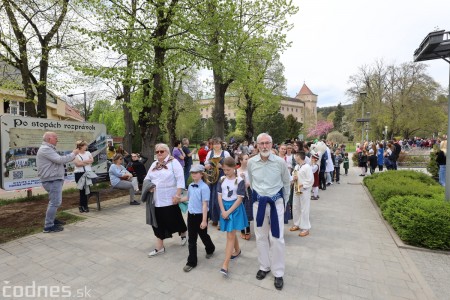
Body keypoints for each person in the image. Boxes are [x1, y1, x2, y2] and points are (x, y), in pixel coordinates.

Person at [247, 133, 290, 291]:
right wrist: (258, 197)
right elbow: (251, 182)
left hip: (276, 203)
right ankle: (264, 266)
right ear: (257, 145)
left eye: (267, 143)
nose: (264, 146)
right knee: (260, 236)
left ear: (272, 144)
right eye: (261, 143)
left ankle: (278, 272)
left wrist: (284, 203)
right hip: (259, 203)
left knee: (277, 238)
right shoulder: (251, 163)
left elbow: (286, 183)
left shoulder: (280, 162)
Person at [144, 143, 188, 257]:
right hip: (156, 199)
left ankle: (183, 232)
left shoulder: (174, 163)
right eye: (157, 151)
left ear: (167, 152)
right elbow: (147, 178)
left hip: (170, 198)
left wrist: (178, 195)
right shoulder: (154, 164)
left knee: (175, 219)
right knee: (157, 223)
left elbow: (180, 179)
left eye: (162, 151)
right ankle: (159, 247)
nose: (159, 153)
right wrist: (149, 187)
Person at [37, 132, 79, 233]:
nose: (57, 139)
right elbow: (60, 160)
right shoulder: (45, 149)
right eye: (55, 137)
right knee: (55, 202)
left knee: (54, 201)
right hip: (52, 179)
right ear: (49, 139)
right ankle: (48, 226)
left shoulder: (48, 148)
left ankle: (52, 220)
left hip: (53, 179)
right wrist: (74, 153)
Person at [181, 164, 215, 272]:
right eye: (192, 173)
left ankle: (210, 248)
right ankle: (191, 261)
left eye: (196, 173)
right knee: (192, 239)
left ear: (201, 174)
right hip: (191, 215)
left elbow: (205, 205)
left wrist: (204, 221)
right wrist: (178, 200)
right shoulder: (190, 185)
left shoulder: (204, 187)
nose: (193, 174)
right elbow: (188, 197)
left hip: (201, 216)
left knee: (203, 235)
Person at [218, 157, 248, 277]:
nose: (226, 172)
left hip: (234, 209)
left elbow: (240, 198)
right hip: (224, 208)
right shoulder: (222, 179)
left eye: (228, 170)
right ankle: (237, 251)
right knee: (231, 232)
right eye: (224, 170)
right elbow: (219, 195)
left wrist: (228, 212)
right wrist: (222, 210)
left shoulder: (239, 180)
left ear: (234, 167)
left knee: (230, 235)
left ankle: (225, 264)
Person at [205, 137, 231, 227]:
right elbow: (205, 164)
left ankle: (221, 219)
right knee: (212, 197)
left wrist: (222, 165)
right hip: (213, 177)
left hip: (222, 176)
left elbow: (231, 164)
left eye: (218, 143)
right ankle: (214, 218)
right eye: (215, 144)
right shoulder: (210, 153)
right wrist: (208, 165)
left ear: (221, 144)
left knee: (221, 197)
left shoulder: (226, 153)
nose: (216, 145)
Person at [290, 151, 314, 237]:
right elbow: (293, 174)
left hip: (304, 190)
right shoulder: (296, 166)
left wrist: (303, 185)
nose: (294, 157)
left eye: (295, 156)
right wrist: (293, 177)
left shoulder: (307, 167)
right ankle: (296, 224)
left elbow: (310, 180)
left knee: (304, 208)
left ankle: (305, 228)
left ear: (299, 157)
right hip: (296, 188)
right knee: (296, 206)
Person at [73, 140, 94, 213]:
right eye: (85, 145)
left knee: (87, 190)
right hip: (79, 174)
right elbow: (77, 164)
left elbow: (92, 160)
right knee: (82, 191)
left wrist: (83, 162)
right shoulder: (76, 154)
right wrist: (86, 162)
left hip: (87, 173)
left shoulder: (88, 152)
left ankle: (84, 205)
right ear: (81, 146)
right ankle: (82, 206)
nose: (86, 146)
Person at [237, 153, 253, 240]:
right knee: (240, 211)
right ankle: (242, 230)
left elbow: (254, 181)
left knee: (247, 211)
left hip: (248, 193)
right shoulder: (237, 171)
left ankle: (248, 230)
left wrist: (249, 184)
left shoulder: (250, 170)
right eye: (246, 159)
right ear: (241, 161)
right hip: (240, 194)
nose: (248, 160)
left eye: (248, 158)